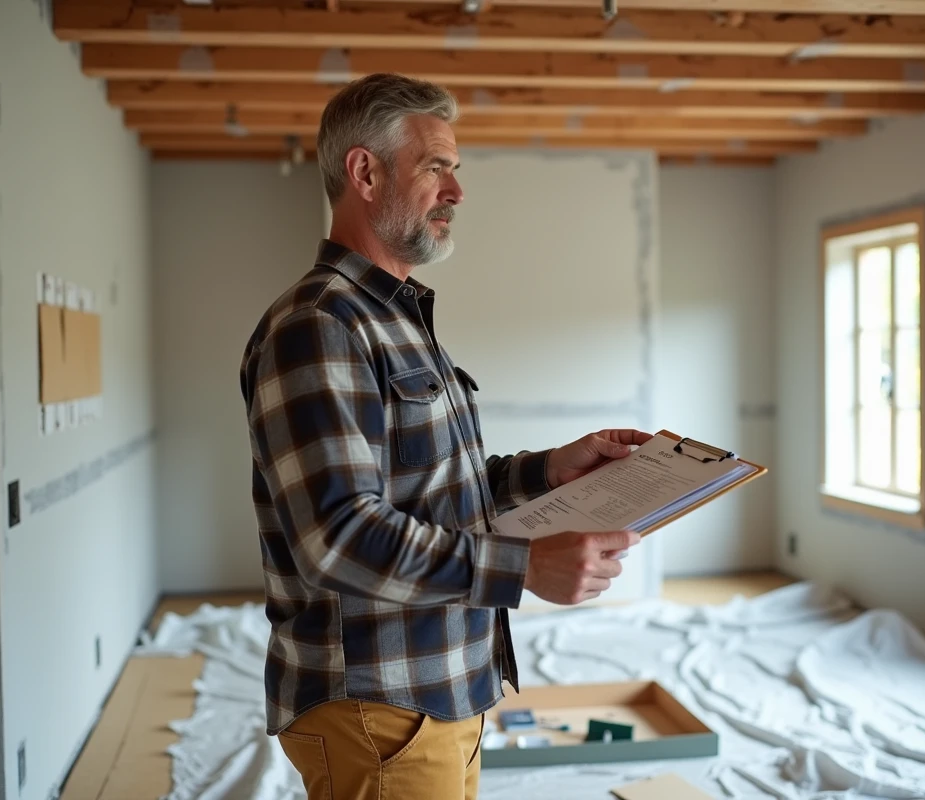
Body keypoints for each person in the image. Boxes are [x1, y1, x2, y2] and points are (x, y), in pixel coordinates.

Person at [239, 72, 648, 800]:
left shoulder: (392, 318)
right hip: (379, 709)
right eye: (435, 168)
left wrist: (548, 470)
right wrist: (523, 567)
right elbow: (336, 537)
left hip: (439, 691)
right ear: (365, 173)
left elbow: (427, 487)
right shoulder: (319, 325)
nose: (456, 191)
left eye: (453, 170)